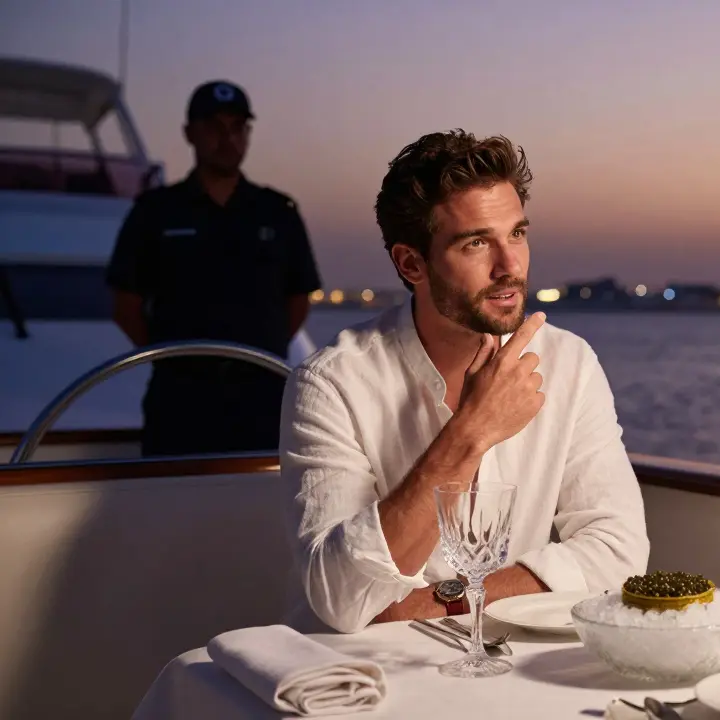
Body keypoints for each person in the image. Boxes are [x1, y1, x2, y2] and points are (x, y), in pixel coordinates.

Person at [279, 129, 649, 634]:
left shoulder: (569, 363)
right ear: (412, 263)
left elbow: (620, 553)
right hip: (372, 677)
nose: (510, 266)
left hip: (511, 660)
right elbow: (342, 598)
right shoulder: (331, 383)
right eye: (477, 242)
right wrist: (471, 431)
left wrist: (436, 602)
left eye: (517, 233)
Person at [106, 80, 322, 456]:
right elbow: (125, 306)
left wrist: (256, 351)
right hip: (180, 400)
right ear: (190, 133)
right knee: (172, 507)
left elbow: (298, 299)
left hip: (262, 400)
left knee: (263, 511)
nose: (228, 138)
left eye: (238, 128)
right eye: (215, 127)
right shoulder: (155, 212)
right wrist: (177, 359)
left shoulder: (277, 212)